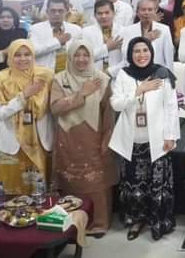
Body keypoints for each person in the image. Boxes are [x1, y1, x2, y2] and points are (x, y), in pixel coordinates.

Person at [108, 37, 178, 241]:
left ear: (151, 52)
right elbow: (116, 104)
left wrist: (170, 135)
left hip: (158, 139)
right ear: (130, 54)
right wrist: (138, 91)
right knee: (134, 185)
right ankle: (136, 220)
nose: (141, 55)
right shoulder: (124, 74)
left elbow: (171, 107)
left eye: (145, 50)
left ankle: (158, 221)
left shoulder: (162, 73)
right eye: (136, 51)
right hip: (131, 140)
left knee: (157, 184)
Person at [51, 40, 117, 235]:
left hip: (94, 136)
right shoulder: (59, 79)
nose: (81, 59)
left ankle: (98, 223)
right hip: (68, 138)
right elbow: (55, 108)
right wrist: (82, 93)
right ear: (70, 57)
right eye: (77, 55)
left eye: (86, 55)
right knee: (71, 180)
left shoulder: (102, 79)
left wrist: (107, 139)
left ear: (91, 56)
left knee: (96, 180)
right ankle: (72, 223)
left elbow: (108, 114)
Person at [0, 39, 54, 194]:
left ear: (33, 55)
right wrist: (23, 97)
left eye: (27, 54)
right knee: (10, 195)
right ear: (10, 56)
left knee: (41, 195)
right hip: (12, 144)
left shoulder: (46, 75)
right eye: (17, 55)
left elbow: (55, 107)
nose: (23, 59)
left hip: (40, 142)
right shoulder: (1, 78)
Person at [29, 0, 82, 72]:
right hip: (44, 74)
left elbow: (80, 53)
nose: (57, 14)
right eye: (53, 11)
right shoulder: (35, 29)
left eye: (60, 11)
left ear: (66, 12)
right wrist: (58, 41)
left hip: (69, 73)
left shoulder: (76, 29)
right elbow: (33, 51)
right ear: (47, 12)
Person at [120, 0, 174, 70]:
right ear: (137, 12)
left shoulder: (164, 29)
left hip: (157, 72)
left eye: (150, 10)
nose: (146, 13)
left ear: (155, 11)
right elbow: (125, 54)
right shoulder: (128, 30)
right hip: (136, 71)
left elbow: (169, 57)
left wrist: (170, 74)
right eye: (143, 10)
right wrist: (144, 39)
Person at [82, 0, 124, 76]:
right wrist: (107, 48)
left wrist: (110, 72)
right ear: (95, 15)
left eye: (107, 13)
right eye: (100, 13)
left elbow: (127, 60)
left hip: (117, 76)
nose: (103, 16)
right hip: (93, 76)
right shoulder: (86, 32)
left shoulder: (123, 31)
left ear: (114, 13)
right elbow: (83, 58)